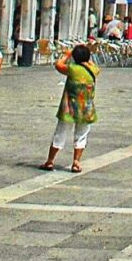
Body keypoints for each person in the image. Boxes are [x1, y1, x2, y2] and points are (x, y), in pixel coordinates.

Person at [42, 43, 97, 172]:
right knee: (81, 135)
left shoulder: (72, 69)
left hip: (69, 108)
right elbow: (93, 66)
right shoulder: (94, 70)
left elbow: (58, 65)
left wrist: (66, 55)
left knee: (60, 133)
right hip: (86, 109)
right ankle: (76, 162)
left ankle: (50, 161)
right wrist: (86, 58)